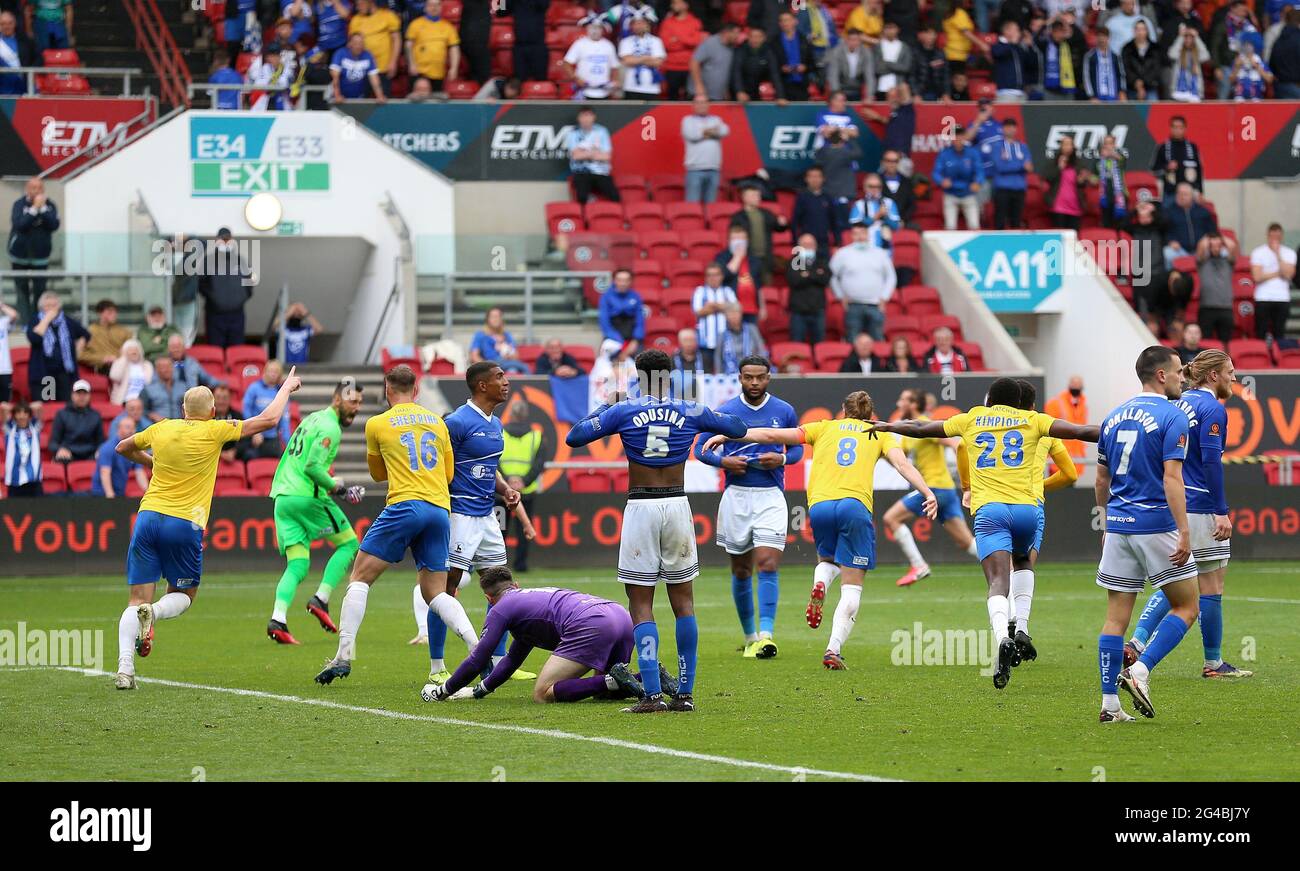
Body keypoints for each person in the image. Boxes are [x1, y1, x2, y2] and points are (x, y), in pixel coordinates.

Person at [872, 377, 1100, 690]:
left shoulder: (973, 417)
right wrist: (1115, 430)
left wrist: (888, 426)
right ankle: (1022, 626)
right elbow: (1080, 432)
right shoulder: (1034, 419)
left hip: (991, 510)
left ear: (990, 398)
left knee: (997, 581)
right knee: (1023, 562)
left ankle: (1002, 639)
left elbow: (924, 428)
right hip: (1028, 510)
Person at [566, 348, 749, 712]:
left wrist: (607, 406)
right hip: (678, 505)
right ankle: (685, 694)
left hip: (641, 507)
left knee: (641, 605)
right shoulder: (691, 409)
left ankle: (651, 695)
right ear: (671, 373)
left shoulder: (624, 409)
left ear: (638, 373)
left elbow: (575, 437)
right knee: (684, 605)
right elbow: (738, 428)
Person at [704, 390, 935, 670]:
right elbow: (901, 464)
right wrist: (926, 491)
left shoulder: (823, 427)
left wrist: (729, 436)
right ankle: (833, 649)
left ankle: (821, 582)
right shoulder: (880, 432)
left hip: (820, 507)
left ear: (843, 410)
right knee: (853, 585)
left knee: (828, 560)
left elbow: (771, 436)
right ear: (870, 415)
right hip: (854, 506)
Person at [113, 368, 301, 689]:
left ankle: (125, 670)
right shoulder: (215, 430)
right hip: (184, 523)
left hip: (147, 517)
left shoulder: (163, 427)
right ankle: (153, 612)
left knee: (135, 599)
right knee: (184, 595)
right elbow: (269, 420)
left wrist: (151, 462)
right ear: (213, 412)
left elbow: (123, 448)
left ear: (183, 411)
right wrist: (285, 387)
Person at [314, 365, 475, 686]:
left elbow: (376, 474)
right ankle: (476, 647)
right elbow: (448, 476)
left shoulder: (377, 423)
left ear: (388, 391)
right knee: (435, 592)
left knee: (360, 576)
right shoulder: (438, 422)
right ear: (416, 391)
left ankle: (344, 655)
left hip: (405, 505)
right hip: (439, 509)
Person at [1090, 347, 1198, 722]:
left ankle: (1109, 706)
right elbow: (1172, 477)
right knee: (1187, 606)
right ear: (1161, 376)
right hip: (1156, 525)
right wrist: (1184, 531)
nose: (1183, 378)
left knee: (1115, 618)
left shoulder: (1112, 416)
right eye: (1179, 372)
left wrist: (1105, 522)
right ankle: (1141, 669)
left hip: (1118, 526)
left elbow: (1101, 479)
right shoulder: (1174, 415)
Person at [1127, 350, 1250, 680]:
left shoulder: (1175, 404)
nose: (1235, 380)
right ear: (1213, 376)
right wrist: (1221, 511)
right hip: (1199, 507)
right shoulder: (1212, 408)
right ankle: (1213, 662)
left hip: (1170, 504)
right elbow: (1211, 462)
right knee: (1209, 585)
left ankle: (1136, 642)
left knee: (1176, 582)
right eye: (1230, 372)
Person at [420, 362, 532, 684]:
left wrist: (505, 489)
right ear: (482, 385)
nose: (506, 382)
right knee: (447, 589)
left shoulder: (495, 425)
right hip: (459, 515)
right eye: (499, 377)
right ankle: (438, 667)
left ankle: (498, 661)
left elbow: (488, 468)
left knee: (502, 588)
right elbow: (437, 465)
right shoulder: (456, 423)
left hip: (487, 516)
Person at [693, 357, 801, 658]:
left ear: (769, 377)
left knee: (767, 562)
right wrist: (723, 461)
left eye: (760, 377)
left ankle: (766, 635)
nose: (754, 383)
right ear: (740, 377)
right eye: (749, 377)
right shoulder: (725, 411)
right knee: (741, 569)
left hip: (770, 495)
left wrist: (781, 459)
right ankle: (750, 635)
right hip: (736, 496)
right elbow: (700, 448)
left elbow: (798, 448)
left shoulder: (784, 410)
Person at [423, 569, 643, 704]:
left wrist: (444, 690)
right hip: (619, 616)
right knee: (607, 693)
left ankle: (613, 679)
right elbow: (513, 658)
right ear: (515, 585)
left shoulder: (501, 608)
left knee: (543, 693)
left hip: (591, 624)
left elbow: (479, 658)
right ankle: (650, 678)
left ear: (488, 598)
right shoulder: (528, 601)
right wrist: (481, 690)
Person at [264, 380, 365, 644]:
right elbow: (311, 467)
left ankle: (278, 620)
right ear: (337, 400)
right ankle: (320, 599)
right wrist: (339, 489)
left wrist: (332, 482)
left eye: (359, 403)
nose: (356, 408)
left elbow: (303, 461)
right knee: (349, 544)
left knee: (298, 564)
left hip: (283, 498)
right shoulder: (331, 426)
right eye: (352, 402)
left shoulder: (312, 420)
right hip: (306, 497)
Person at [985, 379, 1078, 659]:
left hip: (996, 499)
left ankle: (1008, 629)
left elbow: (963, 449)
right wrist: (1039, 485)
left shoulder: (993, 425)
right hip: (1031, 504)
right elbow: (1070, 474)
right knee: (1023, 565)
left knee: (1000, 573)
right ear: (1032, 405)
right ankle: (1021, 625)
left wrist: (969, 486)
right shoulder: (1041, 426)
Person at [884, 388, 980, 587]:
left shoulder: (926, 426)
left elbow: (954, 444)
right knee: (966, 542)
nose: (898, 404)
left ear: (912, 404)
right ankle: (1006, 565)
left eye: (903, 400)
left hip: (933, 489)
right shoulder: (911, 430)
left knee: (891, 518)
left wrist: (968, 478)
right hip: (945, 490)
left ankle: (919, 565)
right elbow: (897, 458)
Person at [500, 395, 546, 573]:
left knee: (499, 530)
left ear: (510, 414)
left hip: (501, 492)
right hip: (525, 492)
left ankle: (498, 566)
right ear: (526, 415)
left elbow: (493, 461)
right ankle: (521, 565)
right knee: (523, 529)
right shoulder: (536, 436)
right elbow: (538, 464)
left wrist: (506, 482)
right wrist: (523, 482)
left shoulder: (499, 433)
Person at [830, 223, 896, 342]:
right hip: (852, 306)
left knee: (877, 341)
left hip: (875, 305)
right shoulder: (842, 254)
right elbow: (832, 276)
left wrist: (884, 297)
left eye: (862, 233)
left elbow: (891, 277)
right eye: (856, 234)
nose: (860, 237)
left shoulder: (880, 254)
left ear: (868, 234)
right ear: (851, 236)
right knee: (852, 341)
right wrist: (840, 296)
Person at [8, 177, 60, 324]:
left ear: (43, 190)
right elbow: (20, 225)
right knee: (22, 291)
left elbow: (54, 225)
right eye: (33, 188)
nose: (36, 191)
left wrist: (42, 209)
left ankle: (38, 322)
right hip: (19, 256)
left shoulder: (50, 205)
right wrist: (33, 210)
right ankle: (25, 323)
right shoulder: (19, 204)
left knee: (40, 291)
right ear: (27, 189)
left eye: (39, 188)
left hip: (40, 257)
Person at [26, 291, 88, 404]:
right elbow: (34, 338)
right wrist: (46, 320)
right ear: (41, 307)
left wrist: (79, 347)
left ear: (59, 307)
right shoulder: (36, 320)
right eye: (47, 306)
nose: (50, 309)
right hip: (43, 374)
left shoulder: (67, 321)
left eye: (53, 306)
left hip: (64, 373)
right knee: (46, 405)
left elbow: (85, 334)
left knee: (65, 405)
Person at [198, 228, 254, 349]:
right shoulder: (208, 260)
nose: (225, 242)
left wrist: (239, 300)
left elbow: (249, 286)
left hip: (237, 315)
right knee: (215, 350)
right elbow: (202, 285)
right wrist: (214, 299)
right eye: (222, 239)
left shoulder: (241, 260)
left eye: (227, 239)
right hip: (215, 315)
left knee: (236, 350)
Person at [729, 183, 787, 286]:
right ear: (744, 197)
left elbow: (779, 228)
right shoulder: (738, 217)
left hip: (765, 258)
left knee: (767, 286)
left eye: (758, 195)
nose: (757, 198)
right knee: (748, 286)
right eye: (753, 195)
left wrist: (783, 223)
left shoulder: (766, 213)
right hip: (747, 258)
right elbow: (734, 238)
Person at [1250, 222, 1296, 344]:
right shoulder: (1258, 252)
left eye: (1278, 237)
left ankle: (1278, 358)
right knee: (1261, 331)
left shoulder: (1289, 253)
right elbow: (1257, 276)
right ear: (1268, 236)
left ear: (1282, 237)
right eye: (1272, 236)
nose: (1275, 239)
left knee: (1279, 332)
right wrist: (1278, 273)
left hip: (1282, 298)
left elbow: (1289, 275)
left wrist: (1278, 254)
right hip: (1263, 297)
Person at [681, 95, 729, 203]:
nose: (701, 105)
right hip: (695, 169)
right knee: (692, 206)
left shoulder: (716, 119)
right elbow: (692, 135)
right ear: (693, 105)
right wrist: (711, 132)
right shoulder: (688, 120)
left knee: (711, 206)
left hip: (714, 169)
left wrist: (703, 132)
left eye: (704, 102)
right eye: (698, 102)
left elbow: (725, 131)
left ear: (708, 105)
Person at [985, 117, 1032, 230]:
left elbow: (1029, 167)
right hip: (1002, 189)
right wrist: (1020, 166)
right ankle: (998, 245)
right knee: (1000, 220)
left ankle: (1015, 246)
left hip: (1019, 188)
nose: (1010, 129)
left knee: (1016, 221)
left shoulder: (1022, 147)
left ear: (1016, 129)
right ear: (1003, 129)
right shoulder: (997, 146)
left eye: (1012, 126)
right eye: (1007, 127)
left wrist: (1009, 164)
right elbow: (1000, 167)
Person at [932, 129, 983, 230]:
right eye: (955, 137)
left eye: (960, 137)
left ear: (964, 138)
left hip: (968, 193)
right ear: (952, 139)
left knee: (974, 225)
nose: (958, 140)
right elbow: (936, 173)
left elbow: (980, 171)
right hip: (951, 194)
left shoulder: (972, 153)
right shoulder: (944, 154)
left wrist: (977, 182)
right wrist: (941, 181)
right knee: (950, 226)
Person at [241, 361, 292, 459]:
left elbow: (285, 420)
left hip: (272, 437)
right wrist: (254, 432)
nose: (273, 374)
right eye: (270, 371)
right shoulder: (254, 388)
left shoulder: (282, 393)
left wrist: (289, 444)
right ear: (265, 372)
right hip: (255, 435)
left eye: (276, 371)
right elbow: (246, 410)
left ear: (280, 375)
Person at [567, 107, 619, 204]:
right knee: (582, 197)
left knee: (615, 197)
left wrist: (584, 152)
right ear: (578, 118)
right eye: (583, 115)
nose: (586, 119)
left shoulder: (602, 131)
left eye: (589, 115)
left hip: (601, 172)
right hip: (581, 172)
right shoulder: (573, 133)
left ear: (594, 117)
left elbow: (606, 157)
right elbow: (575, 156)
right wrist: (594, 152)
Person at [405, 0, 459, 92]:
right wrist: (411, 64)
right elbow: (408, 45)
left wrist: (454, 68)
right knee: (415, 104)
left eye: (437, 5)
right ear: (425, 7)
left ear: (441, 7)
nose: (434, 7)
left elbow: (454, 49)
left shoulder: (448, 27)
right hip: (419, 72)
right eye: (430, 5)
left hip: (438, 73)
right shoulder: (415, 24)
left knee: (435, 104)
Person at [787, 233, 831, 345]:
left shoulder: (822, 261)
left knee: (819, 345)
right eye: (805, 245)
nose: (808, 247)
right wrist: (816, 274)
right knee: (797, 344)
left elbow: (825, 279)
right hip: (798, 311)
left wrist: (806, 274)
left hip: (818, 310)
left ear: (815, 246)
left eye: (810, 245)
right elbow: (794, 281)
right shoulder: (794, 262)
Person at [1195, 232, 1238, 345]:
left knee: (1225, 343)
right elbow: (1201, 246)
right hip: (1207, 308)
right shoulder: (1203, 261)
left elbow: (1232, 245)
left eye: (1218, 245)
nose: (1216, 248)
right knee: (1205, 343)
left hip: (1226, 308)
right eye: (1212, 245)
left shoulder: (1228, 261)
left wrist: (1220, 239)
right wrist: (1209, 239)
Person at [349, 0, 401, 93]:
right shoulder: (355, 20)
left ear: (371, 2)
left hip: (383, 67)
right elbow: (351, 45)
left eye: (361, 4)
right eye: (357, 5)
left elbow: (396, 40)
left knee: (383, 101)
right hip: (363, 68)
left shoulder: (388, 15)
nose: (358, 7)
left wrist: (393, 62)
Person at [691, 262, 736, 369]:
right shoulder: (700, 291)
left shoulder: (727, 291)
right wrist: (723, 306)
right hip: (706, 343)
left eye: (716, 275)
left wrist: (712, 305)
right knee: (706, 374)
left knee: (725, 374)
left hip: (726, 343)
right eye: (710, 275)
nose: (713, 278)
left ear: (721, 276)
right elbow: (699, 312)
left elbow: (735, 309)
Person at [1042, 134, 1090, 232]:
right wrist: (1059, 168)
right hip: (1058, 207)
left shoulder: (1079, 164)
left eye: (1069, 144)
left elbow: (1083, 183)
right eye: (1065, 144)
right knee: (1060, 237)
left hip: (1075, 207)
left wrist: (1082, 181)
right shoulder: (1054, 162)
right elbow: (1047, 178)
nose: (1067, 147)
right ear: (1061, 147)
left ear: (1073, 147)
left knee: (1073, 239)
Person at [92, 416, 149, 498]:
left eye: (133, 428)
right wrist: (110, 496)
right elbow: (105, 472)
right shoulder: (107, 448)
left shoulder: (134, 449)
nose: (131, 431)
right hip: (101, 494)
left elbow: (139, 472)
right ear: (119, 428)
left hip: (119, 493)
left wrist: (148, 493)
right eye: (128, 427)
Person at [564, 16, 619, 100]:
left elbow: (614, 67)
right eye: (592, 28)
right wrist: (576, 78)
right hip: (584, 90)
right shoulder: (579, 44)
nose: (595, 31)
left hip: (604, 91)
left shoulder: (608, 45)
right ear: (587, 29)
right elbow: (567, 63)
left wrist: (614, 83)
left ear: (602, 30)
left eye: (598, 28)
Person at [1151, 115, 1203, 204]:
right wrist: (1167, 167)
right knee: (1167, 218)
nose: (1177, 130)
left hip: (1190, 193)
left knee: (1191, 217)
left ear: (1185, 129)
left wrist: (1200, 192)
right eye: (1175, 127)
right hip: (1170, 193)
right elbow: (1154, 170)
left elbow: (1199, 170)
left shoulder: (1193, 147)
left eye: (1180, 127)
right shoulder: (1163, 147)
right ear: (1170, 128)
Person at [657, 0, 701, 100]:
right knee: (672, 98)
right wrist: (686, 40)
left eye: (676, 3)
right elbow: (665, 44)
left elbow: (696, 42)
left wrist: (677, 37)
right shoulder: (667, 22)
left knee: (690, 97)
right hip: (671, 66)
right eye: (672, 3)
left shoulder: (694, 21)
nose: (672, 5)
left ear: (685, 5)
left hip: (689, 67)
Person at [618, 10, 666, 99]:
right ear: (631, 26)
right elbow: (627, 61)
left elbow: (658, 62)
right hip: (630, 86)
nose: (638, 26)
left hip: (651, 87)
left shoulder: (656, 41)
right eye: (635, 24)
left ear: (647, 25)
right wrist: (647, 58)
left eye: (641, 23)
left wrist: (636, 59)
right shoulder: (625, 42)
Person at [689, 20, 741, 100]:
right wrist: (698, 85)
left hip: (718, 96)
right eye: (736, 33)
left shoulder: (732, 48)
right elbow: (694, 62)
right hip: (701, 95)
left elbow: (725, 70)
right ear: (726, 32)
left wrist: (725, 91)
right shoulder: (710, 43)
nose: (738, 36)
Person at [792, 166, 840, 252]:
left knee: (824, 265)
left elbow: (834, 222)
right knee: (804, 266)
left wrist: (838, 242)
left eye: (818, 176)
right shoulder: (802, 197)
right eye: (812, 176)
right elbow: (795, 222)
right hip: (806, 243)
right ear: (806, 179)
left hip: (824, 243)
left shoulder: (828, 197)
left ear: (823, 179)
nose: (815, 179)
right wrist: (796, 242)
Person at [731, 25, 785, 104]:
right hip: (739, 92)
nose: (755, 40)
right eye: (752, 36)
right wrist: (739, 91)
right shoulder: (740, 50)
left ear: (764, 38)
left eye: (758, 37)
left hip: (755, 90)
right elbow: (736, 72)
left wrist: (781, 96)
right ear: (748, 38)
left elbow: (774, 74)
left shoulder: (768, 52)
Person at [847, 173, 900, 247]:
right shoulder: (859, 204)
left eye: (878, 187)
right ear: (864, 187)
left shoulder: (889, 203)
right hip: (864, 246)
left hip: (885, 247)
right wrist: (876, 217)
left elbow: (896, 226)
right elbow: (854, 227)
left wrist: (886, 217)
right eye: (871, 186)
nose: (875, 189)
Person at [330, 31, 385, 101]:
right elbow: (335, 77)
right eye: (356, 43)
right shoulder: (340, 53)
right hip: (338, 96)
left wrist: (380, 96)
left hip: (359, 97)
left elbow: (374, 79)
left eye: (361, 43)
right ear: (349, 44)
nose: (359, 46)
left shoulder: (368, 56)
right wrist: (337, 95)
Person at [468, 307, 525, 373]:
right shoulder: (481, 335)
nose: (496, 319)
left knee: (512, 369)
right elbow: (474, 356)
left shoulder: (507, 335)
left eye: (498, 316)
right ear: (487, 319)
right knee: (520, 367)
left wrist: (507, 353)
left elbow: (516, 356)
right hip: (489, 366)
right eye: (493, 316)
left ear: (502, 319)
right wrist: (486, 368)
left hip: (506, 364)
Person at [1165, 182, 1216, 256]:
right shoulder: (1169, 212)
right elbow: (1165, 232)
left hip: (1202, 249)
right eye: (1179, 193)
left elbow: (1212, 230)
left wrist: (1207, 239)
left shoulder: (1203, 211)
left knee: (1224, 253)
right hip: (1179, 250)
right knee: (1167, 253)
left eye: (1185, 194)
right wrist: (1170, 241)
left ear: (1192, 196)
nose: (1181, 197)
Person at [1043, 374, 1088, 459]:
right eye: (1074, 384)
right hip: (1059, 454)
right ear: (1069, 385)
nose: (1076, 387)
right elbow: (1048, 429)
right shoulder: (1056, 403)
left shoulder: (1083, 405)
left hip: (1077, 455)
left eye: (1078, 385)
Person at [597, 268, 644, 350]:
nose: (623, 283)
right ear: (614, 281)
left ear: (630, 282)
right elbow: (604, 323)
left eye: (626, 280)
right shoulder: (606, 297)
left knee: (641, 359)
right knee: (612, 359)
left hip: (632, 339)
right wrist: (620, 342)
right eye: (620, 280)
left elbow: (640, 321)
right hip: (612, 338)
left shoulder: (636, 297)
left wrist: (636, 340)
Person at [989, 19, 1035, 101]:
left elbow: (1030, 63)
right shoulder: (997, 45)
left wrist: (1030, 47)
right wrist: (1012, 43)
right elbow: (998, 53)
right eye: (1016, 30)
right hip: (1005, 93)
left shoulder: (1018, 47)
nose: (1019, 32)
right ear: (1006, 31)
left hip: (1021, 93)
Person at [2, 400, 41, 496]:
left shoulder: (35, 427)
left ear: (29, 415)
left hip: (33, 477)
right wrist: (15, 408)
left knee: (37, 509)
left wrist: (26, 407)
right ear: (14, 415)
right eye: (18, 413)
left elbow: (39, 406)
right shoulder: (9, 428)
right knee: (14, 510)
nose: (22, 416)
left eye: (25, 413)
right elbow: (2, 407)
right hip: (14, 477)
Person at [716, 303, 767, 375]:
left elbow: (761, 350)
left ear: (741, 314)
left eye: (736, 313)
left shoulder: (752, 330)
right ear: (726, 317)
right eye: (731, 314)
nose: (734, 316)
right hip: (729, 376)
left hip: (753, 374)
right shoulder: (722, 336)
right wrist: (719, 377)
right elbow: (718, 359)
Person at [825, 27, 874, 99]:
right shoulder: (837, 52)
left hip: (857, 88)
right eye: (851, 40)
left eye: (857, 40)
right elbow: (833, 76)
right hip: (841, 87)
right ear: (846, 40)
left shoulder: (866, 53)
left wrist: (869, 95)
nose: (854, 43)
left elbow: (869, 76)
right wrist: (837, 95)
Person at [1122, 19, 1163, 100]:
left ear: (1147, 31)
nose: (1140, 32)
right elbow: (1126, 68)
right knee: (1131, 112)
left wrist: (1143, 82)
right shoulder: (1127, 48)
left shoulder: (1155, 48)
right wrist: (1136, 82)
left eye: (1143, 29)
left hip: (1150, 87)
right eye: (1138, 29)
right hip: (1132, 88)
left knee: (1153, 112)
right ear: (1134, 31)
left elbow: (1156, 68)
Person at [1083, 27, 1126, 102]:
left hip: (1114, 96)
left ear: (1109, 38)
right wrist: (1091, 96)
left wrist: (1122, 91)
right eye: (1099, 36)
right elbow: (1086, 76)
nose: (1102, 39)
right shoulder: (1090, 56)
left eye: (1104, 36)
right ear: (1096, 38)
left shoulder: (1115, 56)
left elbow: (1121, 74)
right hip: (1097, 98)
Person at [0, 11, 37, 97]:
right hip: (3, 89)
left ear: (15, 24)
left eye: (9, 23)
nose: (6, 27)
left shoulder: (26, 41)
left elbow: (39, 58)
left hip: (23, 87)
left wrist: (30, 70)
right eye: (3, 24)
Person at [108, 340, 153, 406]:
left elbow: (150, 382)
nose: (133, 352)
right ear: (125, 352)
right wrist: (123, 358)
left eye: (136, 350)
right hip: (125, 399)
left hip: (144, 400)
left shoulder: (147, 365)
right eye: (130, 350)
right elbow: (115, 377)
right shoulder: (119, 363)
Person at [910, 24, 949, 101]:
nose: (932, 36)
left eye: (933, 34)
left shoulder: (940, 53)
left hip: (937, 93)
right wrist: (915, 93)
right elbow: (911, 76)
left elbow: (945, 76)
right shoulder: (914, 53)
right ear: (920, 35)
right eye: (928, 33)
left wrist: (946, 94)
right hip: (920, 92)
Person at [141, 357, 186, 422]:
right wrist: (152, 415)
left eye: (169, 366)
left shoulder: (183, 386)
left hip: (180, 425)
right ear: (156, 370)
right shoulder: (148, 389)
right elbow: (142, 410)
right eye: (163, 367)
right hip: (157, 426)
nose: (166, 370)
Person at [878, 149, 915, 226]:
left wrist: (903, 220)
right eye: (888, 161)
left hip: (903, 222)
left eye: (895, 161)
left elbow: (912, 204)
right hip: (881, 222)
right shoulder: (876, 181)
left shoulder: (907, 182)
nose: (892, 164)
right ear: (883, 162)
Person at [0, 299, 15, 409]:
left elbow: (14, 315)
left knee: (5, 404)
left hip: (4, 369)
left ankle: (4, 426)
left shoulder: (3, 322)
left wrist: (1, 305)